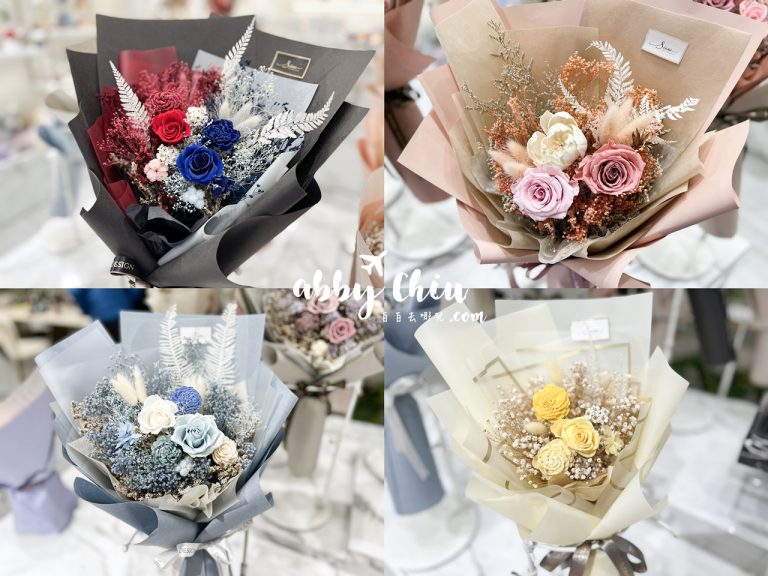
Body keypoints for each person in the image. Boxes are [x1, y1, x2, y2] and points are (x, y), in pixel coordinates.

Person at [69, 289, 147, 342]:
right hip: (126, 311)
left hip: (102, 317)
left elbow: (76, 292)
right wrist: (129, 303)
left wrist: (89, 311)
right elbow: (135, 288)